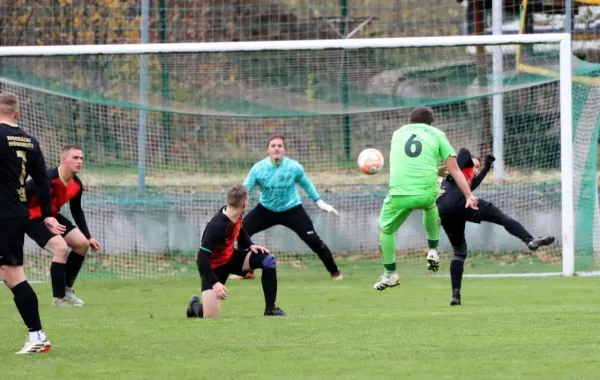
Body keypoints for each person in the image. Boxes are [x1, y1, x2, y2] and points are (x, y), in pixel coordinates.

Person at [374, 106, 478, 291]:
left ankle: (390, 274)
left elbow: (408, 161)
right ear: (431, 123)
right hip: (426, 192)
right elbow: (454, 169)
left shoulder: (398, 133)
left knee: (386, 230)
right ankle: (433, 249)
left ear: (409, 121)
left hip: (400, 192)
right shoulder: (437, 134)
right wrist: (469, 195)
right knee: (430, 207)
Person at [437, 148, 555, 306]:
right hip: (460, 202)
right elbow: (464, 152)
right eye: (474, 166)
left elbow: (473, 183)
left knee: (459, 253)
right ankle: (529, 240)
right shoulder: (455, 173)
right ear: (466, 165)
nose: (475, 169)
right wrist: (462, 165)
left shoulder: (459, 183)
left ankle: (455, 294)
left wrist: (486, 167)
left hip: (444, 210)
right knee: (502, 218)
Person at [0, 91, 65, 354]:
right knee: (9, 273)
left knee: (12, 275)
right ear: (17, 113)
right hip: (17, 213)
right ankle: (37, 336)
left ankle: (38, 337)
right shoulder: (30, 141)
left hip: (2, 214)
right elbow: (42, 182)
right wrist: (48, 213)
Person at [239, 134, 343, 280]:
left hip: (292, 210)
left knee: (313, 240)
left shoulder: (294, 167)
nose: (276, 149)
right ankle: (247, 271)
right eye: (273, 146)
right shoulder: (258, 169)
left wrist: (319, 202)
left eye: (279, 146)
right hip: (266, 210)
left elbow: (306, 184)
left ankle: (335, 272)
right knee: (241, 232)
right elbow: (245, 188)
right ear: (268, 150)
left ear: (284, 150)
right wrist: (237, 205)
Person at [186, 185, 287, 318]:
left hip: (231, 258)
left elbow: (240, 228)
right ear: (244, 203)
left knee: (268, 260)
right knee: (210, 316)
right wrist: (215, 283)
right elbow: (201, 258)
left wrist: (250, 245)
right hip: (214, 269)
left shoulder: (234, 213)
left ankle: (270, 309)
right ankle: (194, 306)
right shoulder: (216, 226)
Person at [26, 145, 101, 307]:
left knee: (82, 244)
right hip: (31, 217)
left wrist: (89, 236)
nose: (79, 161)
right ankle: (58, 299)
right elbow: (22, 195)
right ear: (64, 159)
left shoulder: (77, 185)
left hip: (53, 217)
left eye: (81, 158)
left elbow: (77, 211)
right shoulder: (47, 178)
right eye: (75, 157)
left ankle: (66, 291)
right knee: (60, 248)